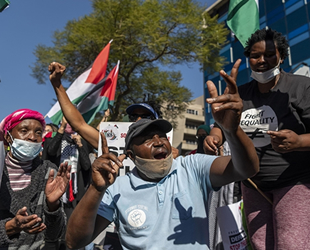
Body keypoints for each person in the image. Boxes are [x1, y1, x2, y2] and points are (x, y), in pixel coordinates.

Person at [47, 61, 259, 249]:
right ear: (129, 153)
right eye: (135, 119)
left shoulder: (192, 167)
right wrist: (96, 188)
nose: (158, 141)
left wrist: (232, 130)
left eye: (160, 134)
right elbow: (75, 242)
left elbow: (247, 169)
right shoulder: (116, 187)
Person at [204, 28, 310, 250]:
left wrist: (299, 142)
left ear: (281, 56)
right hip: (253, 185)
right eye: (255, 55)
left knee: (291, 244)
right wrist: (214, 136)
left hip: (295, 182)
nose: (262, 60)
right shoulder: (239, 94)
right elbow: (222, 124)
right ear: (247, 59)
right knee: (260, 245)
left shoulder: (301, 87)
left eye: (270, 54)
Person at [0, 108, 70, 249]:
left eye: (38, 132)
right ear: (8, 137)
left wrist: (53, 206)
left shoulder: (49, 172)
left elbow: (55, 235)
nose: (33, 137)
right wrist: (10, 227)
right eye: (24, 131)